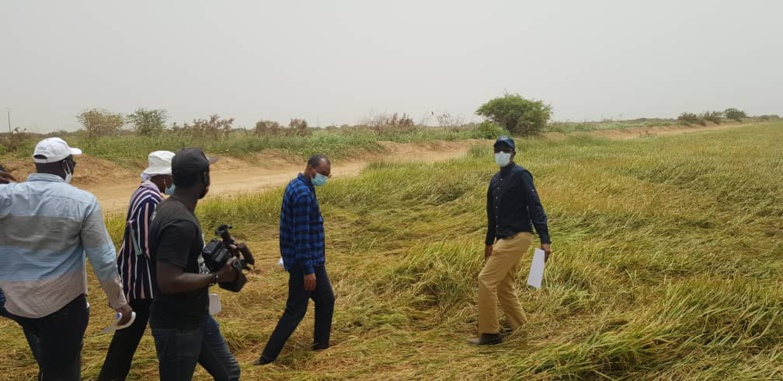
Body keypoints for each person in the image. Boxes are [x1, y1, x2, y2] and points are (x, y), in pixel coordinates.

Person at [0, 137, 132, 380]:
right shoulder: (82, 201)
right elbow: (102, 258)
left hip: (17, 303)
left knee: (50, 357)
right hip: (62, 307)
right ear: (65, 166)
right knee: (62, 369)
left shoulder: (7, 196)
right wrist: (118, 301)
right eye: (73, 163)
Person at [148, 147, 241, 381]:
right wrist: (218, 276)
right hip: (178, 326)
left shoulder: (172, 208)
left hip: (196, 317)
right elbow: (169, 281)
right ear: (203, 178)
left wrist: (215, 257)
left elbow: (184, 262)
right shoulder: (180, 222)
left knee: (229, 373)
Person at [98, 151, 176, 381]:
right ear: (162, 177)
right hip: (142, 282)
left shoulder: (145, 193)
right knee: (127, 338)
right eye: (172, 178)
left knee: (128, 337)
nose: (173, 184)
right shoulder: (149, 199)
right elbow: (147, 245)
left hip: (142, 280)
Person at [468, 136, 552, 346]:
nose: (501, 153)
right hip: (502, 238)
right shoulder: (495, 181)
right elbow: (492, 215)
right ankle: (523, 330)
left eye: (505, 150)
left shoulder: (521, 174)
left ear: (513, 153)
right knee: (504, 286)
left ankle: (490, 334)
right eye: (497, 150)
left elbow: (535, 207)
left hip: (519, 236)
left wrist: (545, 240)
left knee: (485, 280)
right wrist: (489, 242)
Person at [255, 154, 336, 365]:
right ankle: (266, 358)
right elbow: (301, 237)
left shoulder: (300, 186)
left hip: (310, 260)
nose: (324, 178)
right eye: (322, 174)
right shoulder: (302, 195)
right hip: (306, 263)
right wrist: (308, 270)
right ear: (310, 168)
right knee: (295, 311)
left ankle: (321, 345)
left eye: (327, 175)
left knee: (325, 300)